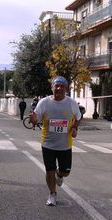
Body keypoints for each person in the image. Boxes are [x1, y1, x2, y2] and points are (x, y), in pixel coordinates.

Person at [31, 76, 82, 206]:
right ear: (52, 87)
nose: (59, 88)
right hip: (48, 143)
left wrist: (75, 127)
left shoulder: (71, 103)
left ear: (66, 88)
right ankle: (52, 194)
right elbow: (35, 118)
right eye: (56, 85)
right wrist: (33, 119)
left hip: (65, 145)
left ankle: (60, 175)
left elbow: (78, 117)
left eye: (62, 86)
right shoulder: (44, 102)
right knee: (49, 170)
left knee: (65, 172)